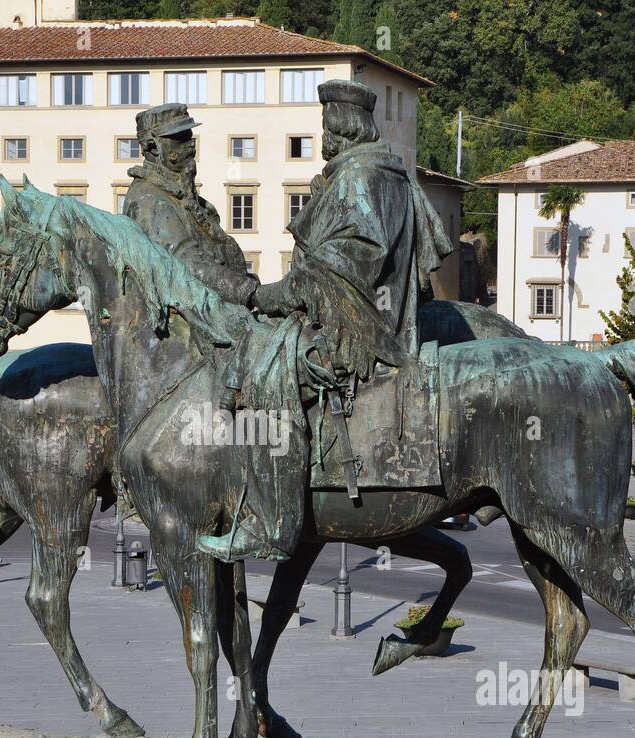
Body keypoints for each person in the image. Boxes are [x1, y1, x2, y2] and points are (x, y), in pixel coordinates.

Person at [195, 79, 454, 562]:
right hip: (378, 316)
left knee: (268, 369)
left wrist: (271, 294)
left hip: (359, 329)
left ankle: (273, 523)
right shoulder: (389, 171)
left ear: (343, 128)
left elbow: (340, 267)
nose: (323, 141)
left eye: (326, 130)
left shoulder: (359, 178)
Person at [124, 103, 260, 311]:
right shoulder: (149, 199)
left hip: (217, 307)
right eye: (180, 138)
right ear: (153, 148)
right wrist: (252, 293)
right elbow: (187, 262)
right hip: (187, 320)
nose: (191, 145)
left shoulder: (180, 193)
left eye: (189, 135)